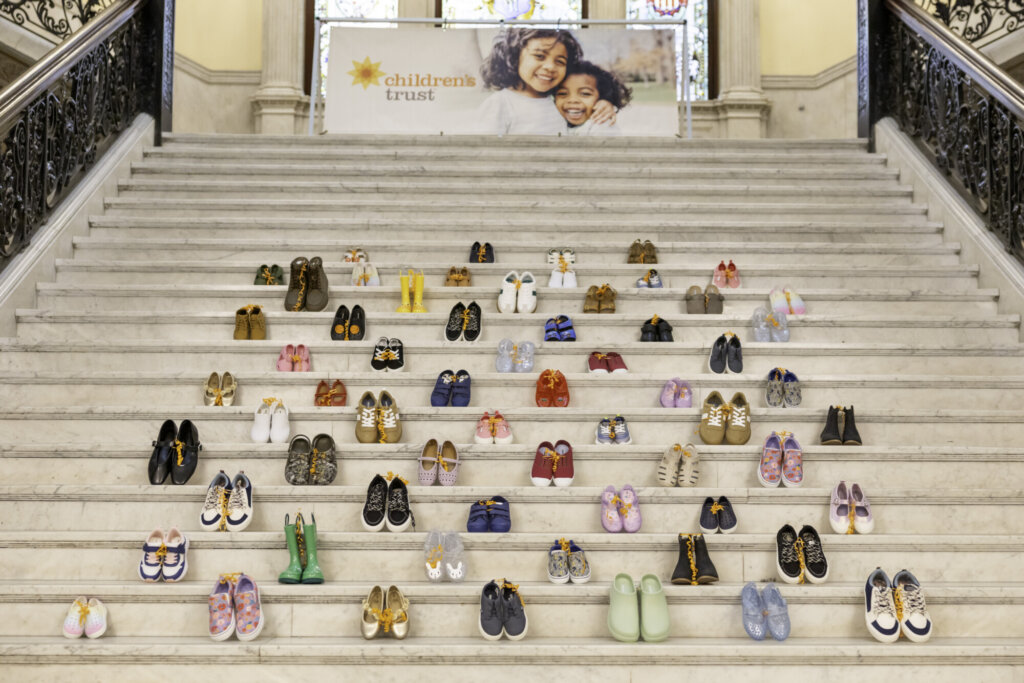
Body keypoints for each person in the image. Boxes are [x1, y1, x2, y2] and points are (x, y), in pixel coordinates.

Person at [477, 28, 615, 135]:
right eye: (539, 56)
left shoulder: (557, 98)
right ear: (514, 57)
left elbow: (581, 119)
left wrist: (604, 104)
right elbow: (484, 149)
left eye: (560, 61)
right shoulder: (501, 103)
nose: (550, 67)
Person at [554, 60, 632, 136]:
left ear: (601, 97)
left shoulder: (601, 126)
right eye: (563, 93)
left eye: (585, 93)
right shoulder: (555, 119)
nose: (573, 100)